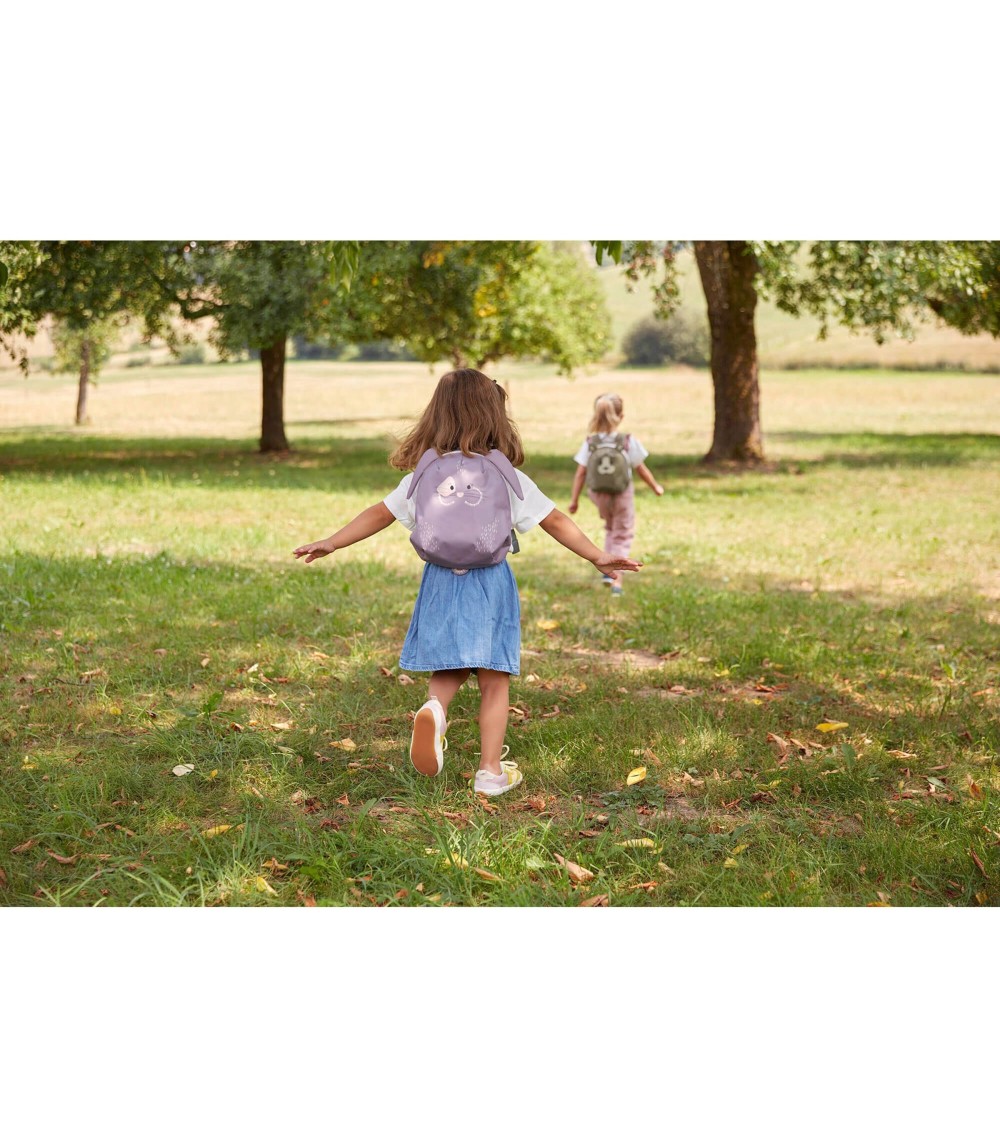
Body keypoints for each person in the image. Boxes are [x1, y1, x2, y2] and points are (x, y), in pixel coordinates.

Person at [293, 368, 641, 797]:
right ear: (494, 414)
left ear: (436, 415)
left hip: (439, 579)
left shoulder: (425, 473)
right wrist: (597, 555)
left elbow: (379, 513)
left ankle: (436, 709)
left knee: (449, 666)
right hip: (490, 582)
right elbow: (554, 520)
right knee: (494, 678)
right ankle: (490, 771)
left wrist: (333, 541)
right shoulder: (504, 475)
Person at [567, 392, 663, 595]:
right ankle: (617, 580)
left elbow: (581, 472)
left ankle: (606, 568)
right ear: (621, 417)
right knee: (623, 532)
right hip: (621, 493)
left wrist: (574, 500)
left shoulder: (590, 442)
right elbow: (641, 468)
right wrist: (655, 487)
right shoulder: (627, 441)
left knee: (611, 528)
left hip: (598, 494)